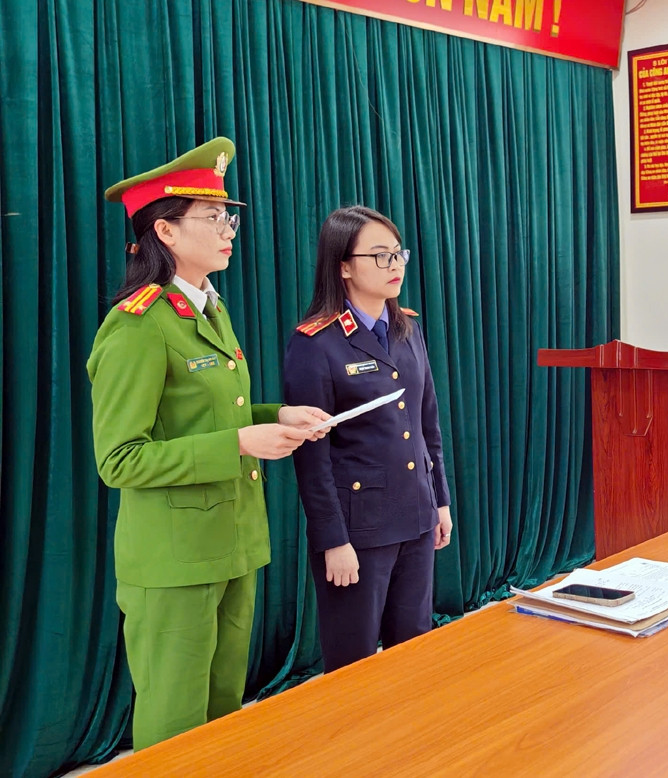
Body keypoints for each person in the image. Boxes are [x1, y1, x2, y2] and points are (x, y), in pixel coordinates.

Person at [88, 137, 331, 749]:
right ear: (165, 231)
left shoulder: (209, 310)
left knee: (224, 718)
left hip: (232, 546)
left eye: (230, 217)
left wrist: (280, 414)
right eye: (213, 217)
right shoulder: (138, 326)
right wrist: (242, 443)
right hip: (174, 562)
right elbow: (119, 459)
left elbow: (216, 414)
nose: (228, 230)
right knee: (175, 730)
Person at [284, 205, 453, 672]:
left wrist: (439, 501)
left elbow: (427, 424)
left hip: (415, 516)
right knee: (353, 664)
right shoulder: (316, 342)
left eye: (398, 254)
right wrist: (332, 541)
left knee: (413, 653)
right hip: (359, 531)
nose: (395, 265)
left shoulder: (407, 329)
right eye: (380, 256)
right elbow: (313, 457)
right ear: (343, 266)